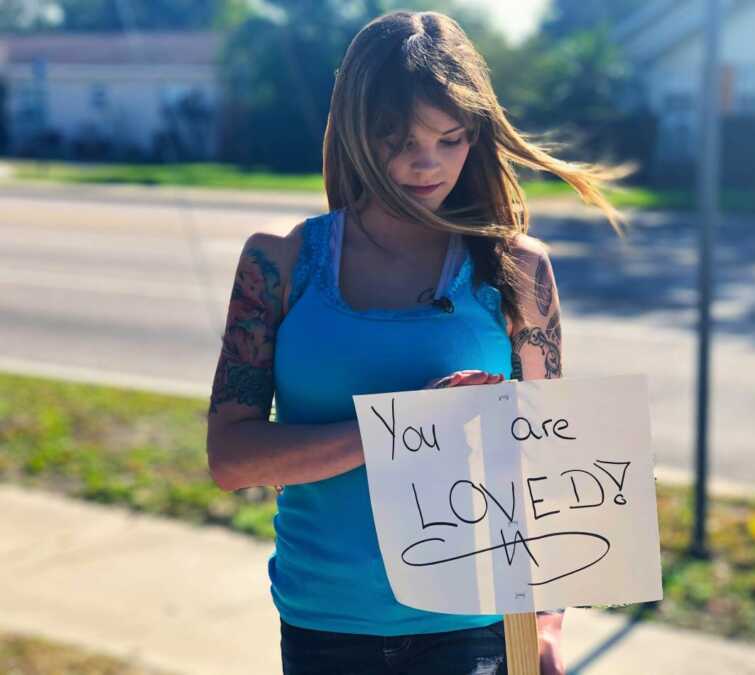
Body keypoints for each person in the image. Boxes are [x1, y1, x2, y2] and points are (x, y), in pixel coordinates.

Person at [206, 10, 626, 675]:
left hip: (475, 627)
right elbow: (231, 457)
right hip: (326, 627)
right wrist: (400, 429)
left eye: (450, 138)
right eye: (396, 138)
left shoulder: (519, 273)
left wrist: (545, 628)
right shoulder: (280, 263)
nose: (424, 163)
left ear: (476, 135)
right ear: (354, 130)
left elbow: (547, 469)